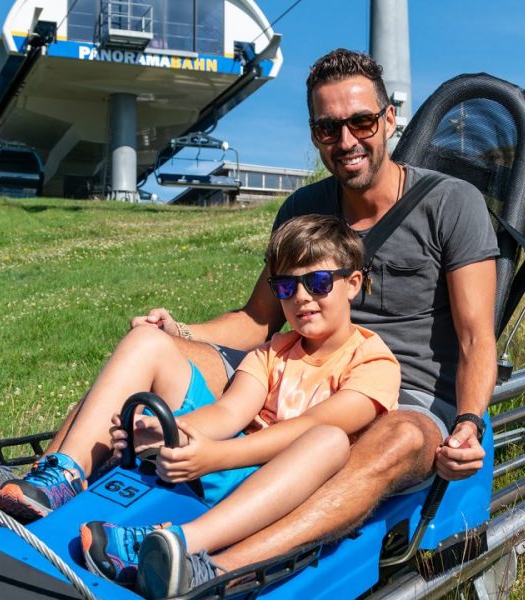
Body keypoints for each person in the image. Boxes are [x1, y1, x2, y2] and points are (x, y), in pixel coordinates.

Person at [125, 48, 499, 581]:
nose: (346, 141)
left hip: (404, 398)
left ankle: (219, 571)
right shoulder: (302, 210)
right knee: (149, 352)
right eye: (328, 129)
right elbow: (258, 321)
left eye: (361, 121)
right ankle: (41, 494)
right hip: (298, 369)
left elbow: (474, 338)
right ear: (314, 133)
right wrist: (178, 331)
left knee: (393, 438)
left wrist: (467, 422)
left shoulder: (451, 203)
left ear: (389, 118)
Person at [74, 215, 400, 596]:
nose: (301, 297)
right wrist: (174, 432)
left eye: (318, 282)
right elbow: (230, 412)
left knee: (329, 440)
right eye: (285, 286)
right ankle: (62, 477)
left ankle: (180, 544)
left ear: (353, 284)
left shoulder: (373, 362)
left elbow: (308, 426)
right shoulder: (272, 352)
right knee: (147, 342)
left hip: (296, 491)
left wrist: (216, 456)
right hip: (234, 466)